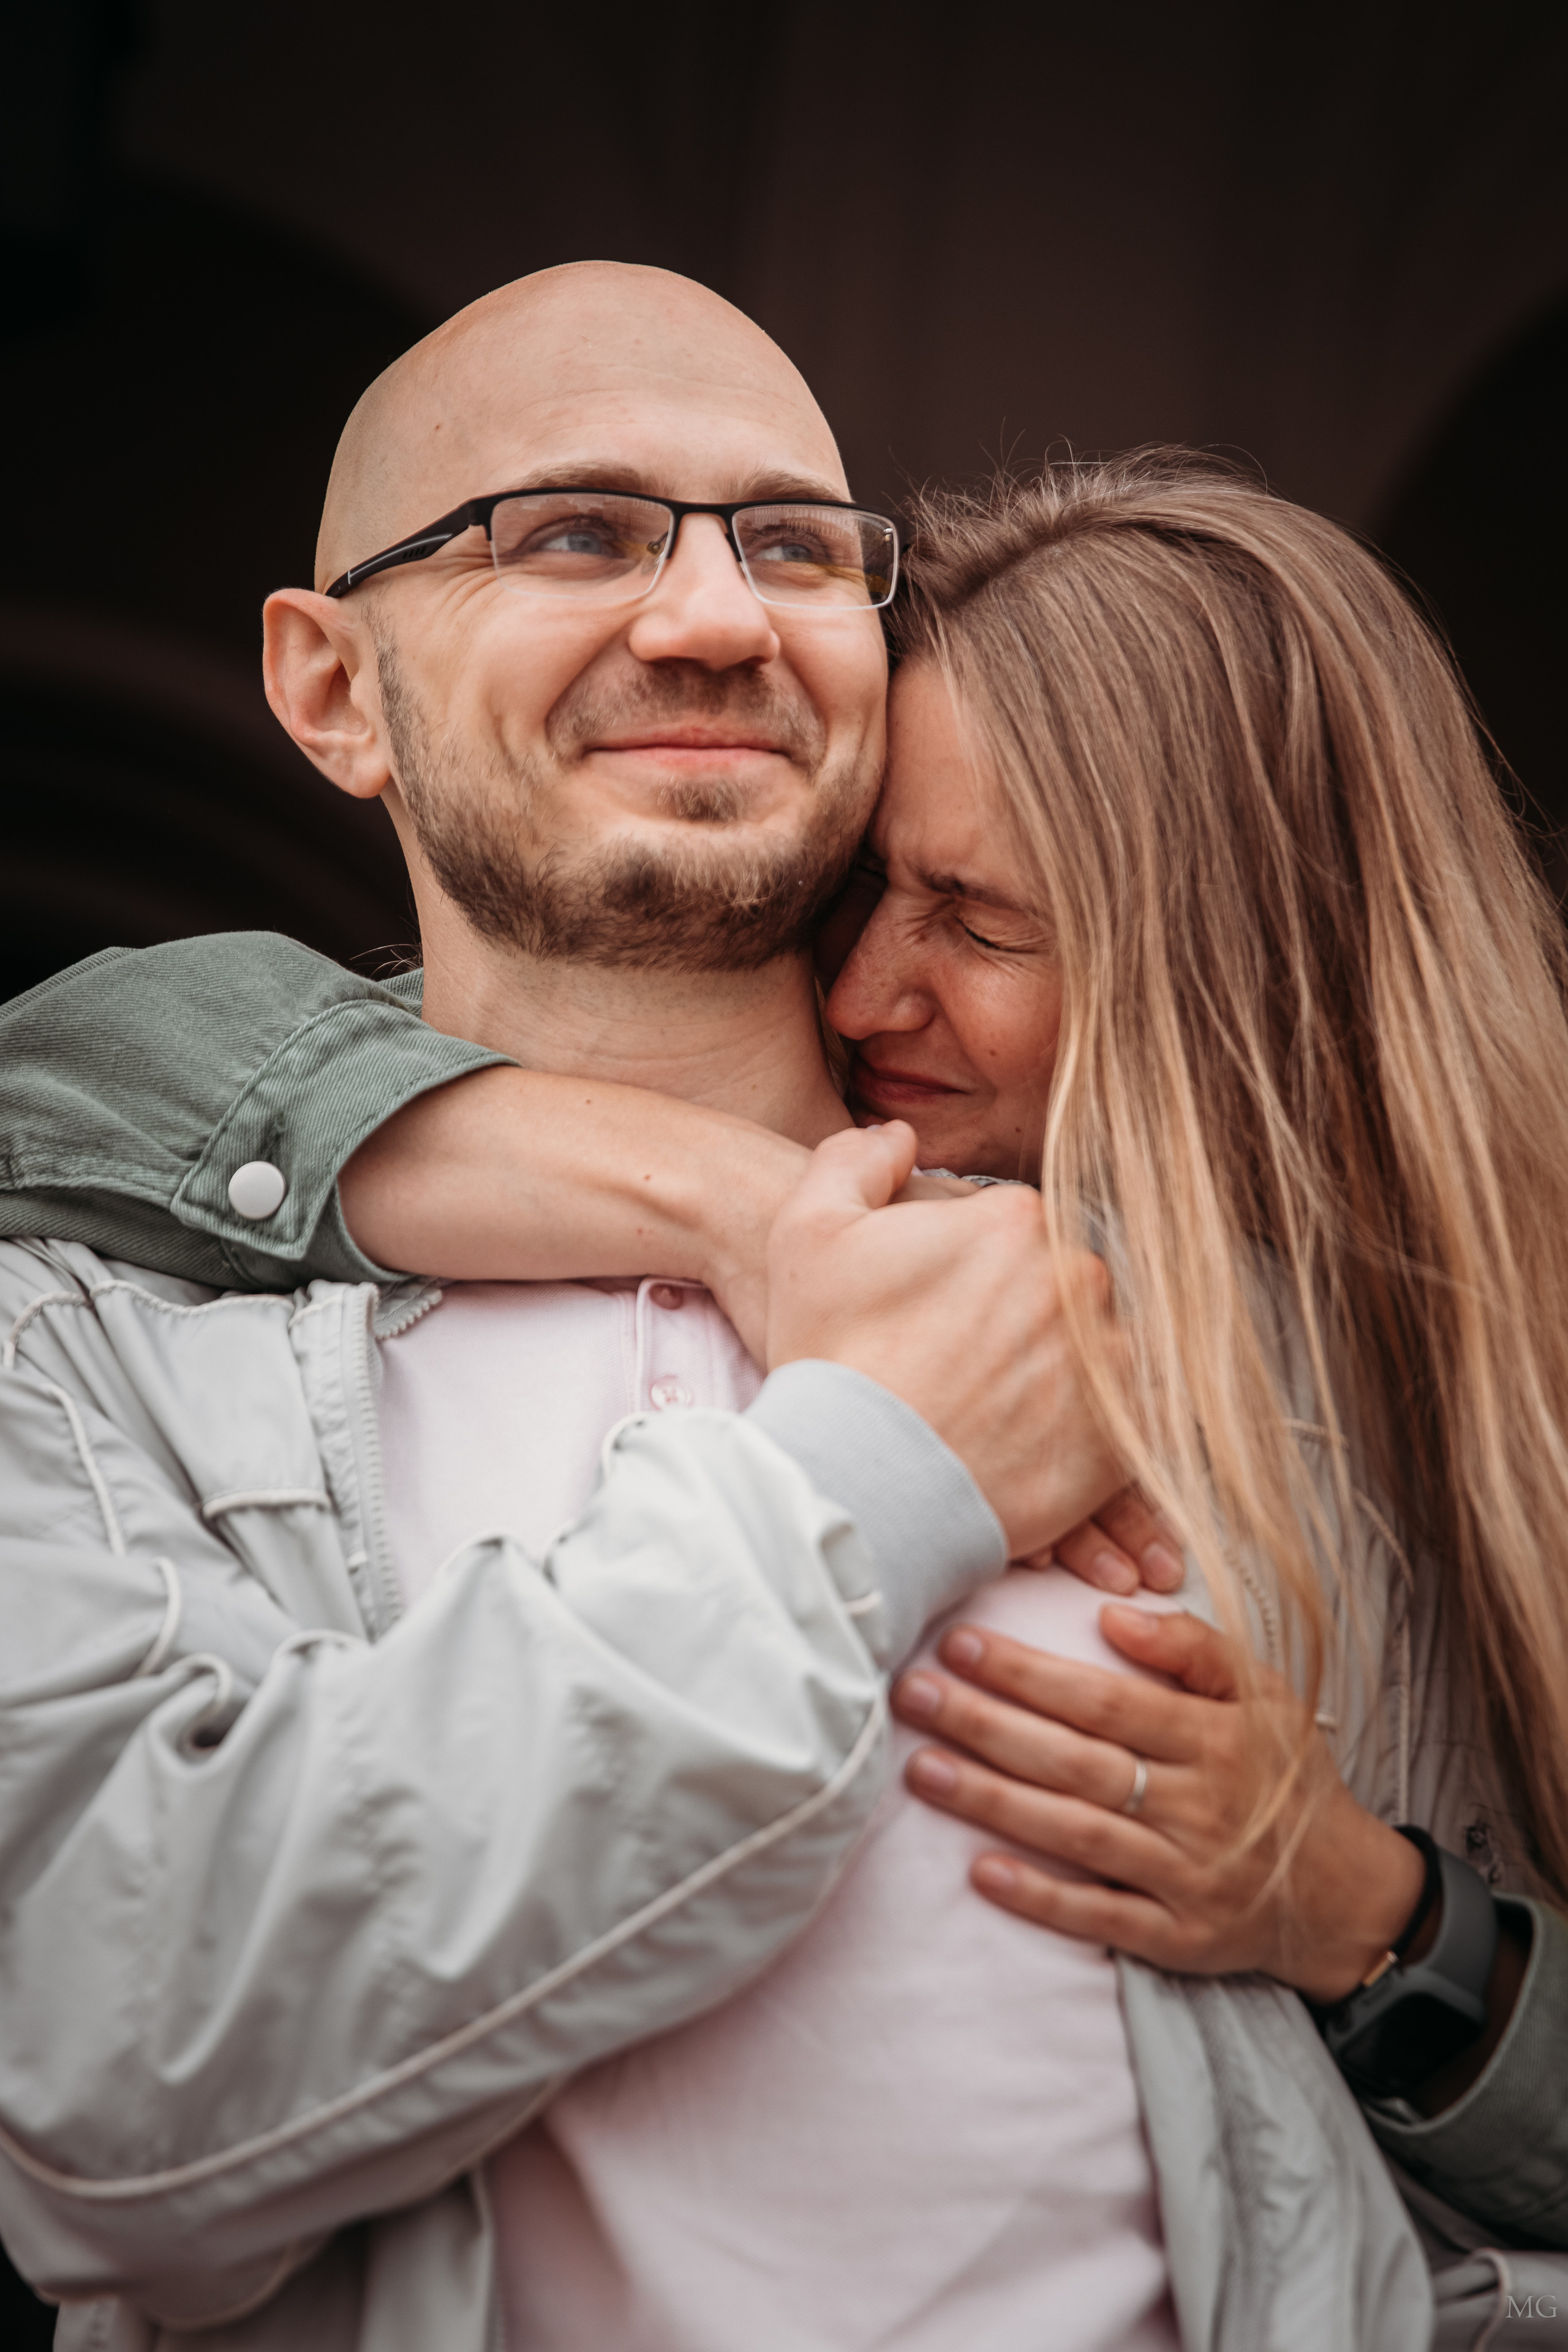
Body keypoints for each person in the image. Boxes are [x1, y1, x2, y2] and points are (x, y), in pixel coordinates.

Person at [1, 274, 1555, 2347]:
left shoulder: (1234, 1326)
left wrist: (1392, 1939)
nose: (717, 615)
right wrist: (864, 1458)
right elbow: (108, 2108)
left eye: (799, 545)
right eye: (575, 531)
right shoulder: (85, 1341)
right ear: (331, 689)